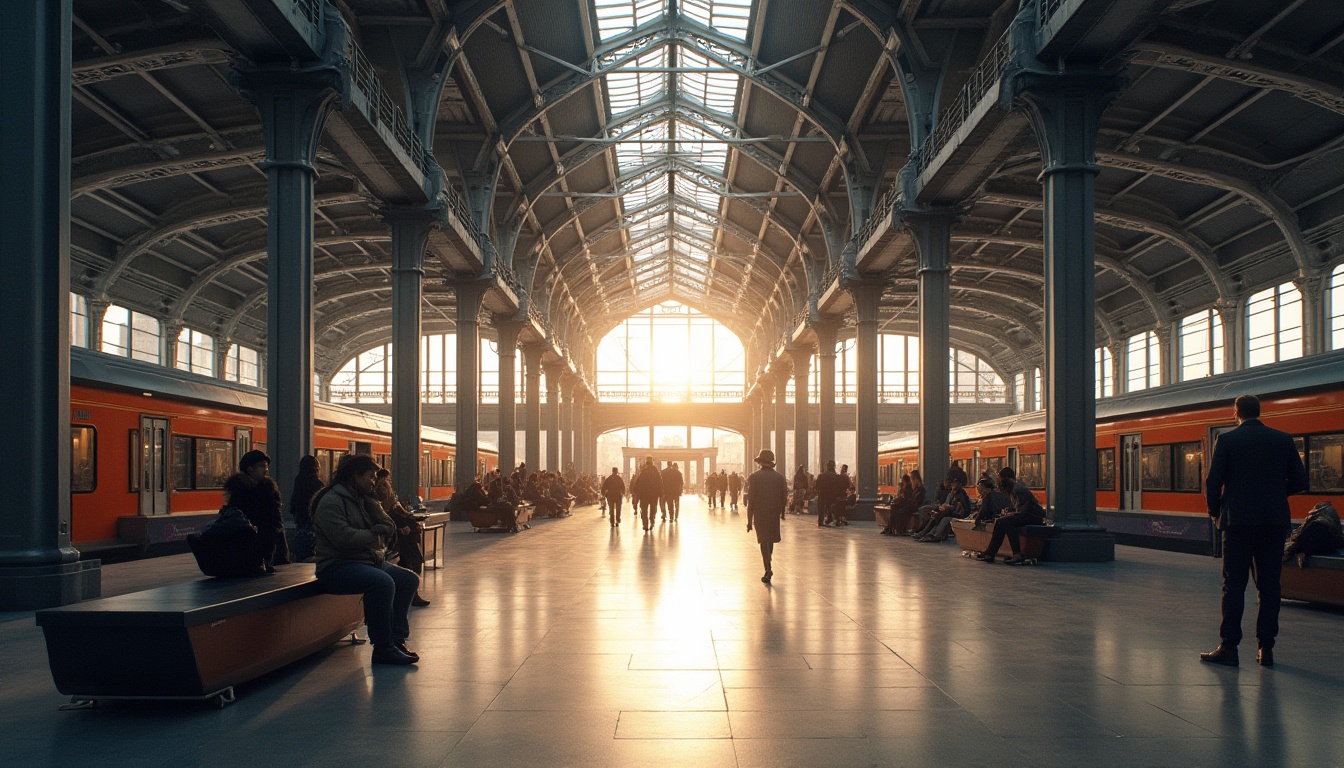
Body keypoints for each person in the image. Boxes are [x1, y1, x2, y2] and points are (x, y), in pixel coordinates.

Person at [1201, 394, 1309, 667]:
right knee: (1270, 585)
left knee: (1233, 585)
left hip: (1237, 522)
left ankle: (1229, 647)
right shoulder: (1282, 439)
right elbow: (1300, 480)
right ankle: (1266, 648)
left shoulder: (1226, 440)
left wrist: (1216, 511)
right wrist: (1274, 493)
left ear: (1235, 412)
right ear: (1259, 411)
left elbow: (1213, 483)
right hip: (1273, 521)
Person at [312, 455, 420, 666]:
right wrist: (374, 533)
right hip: (336, 566)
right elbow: (345, 539)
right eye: (370, 477)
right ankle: (383, 648)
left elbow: (388, 525)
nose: (374, 481)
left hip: (364, 561)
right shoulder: (331, 502)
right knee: (382, 582)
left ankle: (397, 640)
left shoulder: (363, 500)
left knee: (409, 580)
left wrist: (374, 503)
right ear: (355, 476)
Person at [374, 468, 430, 607]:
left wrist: (408, 518)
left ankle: (410, 594)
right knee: (411, 562)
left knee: (408, 562)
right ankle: (411, 594)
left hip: (400, 533)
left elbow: (395, 509)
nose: (386, 482)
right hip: (399, 536)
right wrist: (401, 525)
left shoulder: (385, 491)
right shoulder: (378, 493)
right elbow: (388, 513)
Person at [225, 450, 289, 572]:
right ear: (250, 469)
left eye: (267, 466)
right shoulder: (242, 492)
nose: (266, 470)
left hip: (266, 551)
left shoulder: (267, 491)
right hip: (252, 550)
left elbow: (275, 524)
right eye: (262, 466)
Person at [976, 467, 1045, 564]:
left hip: (1033, 517)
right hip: (1028, 515)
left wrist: (1009, 514)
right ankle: (995, 553)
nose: (998, 483)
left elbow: (1021, 511)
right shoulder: (1013, 490)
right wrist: (1009, 511)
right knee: (1003, 522)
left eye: (999, 480)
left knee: (1003, 522)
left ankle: (994, 553)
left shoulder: (1018, 490)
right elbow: (1017, 508)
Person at [745, 449, 788, 584]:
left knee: (763, 541)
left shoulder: (754, 477)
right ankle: (768, 563)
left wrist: (749, 520)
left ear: (760, 462)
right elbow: (784, 497)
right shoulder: (780, 477)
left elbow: (751, 499)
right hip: (774, 513)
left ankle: (768, 568)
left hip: (760, 513)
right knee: (769, 541)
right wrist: (781, 513)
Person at [288, 455, 324, 561]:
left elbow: (295, 499)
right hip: (313, 518)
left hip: (300, 517)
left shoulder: (298, 480)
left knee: (303, 539)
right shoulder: (317, 483)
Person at [634, 457, 663, 531]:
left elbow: (638, 483)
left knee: (644, 510)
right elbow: (660, 483)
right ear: (652, 463)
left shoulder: (643, 472)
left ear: (646, 463)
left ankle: (645, 525)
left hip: (644, 495)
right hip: (653, 494)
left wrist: (636, 492)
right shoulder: (656, 472)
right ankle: (652, 520)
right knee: (653, 508)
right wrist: (660, 493)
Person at [815, 460, 844, 528]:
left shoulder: (821, 476)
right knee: (833, 507)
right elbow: (839, 486)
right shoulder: (836, 476)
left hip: (822, 495)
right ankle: (836, 520)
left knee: (821, 508)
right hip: (832, 495)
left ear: (827, 466)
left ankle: (821, 521)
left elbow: (816, 487)